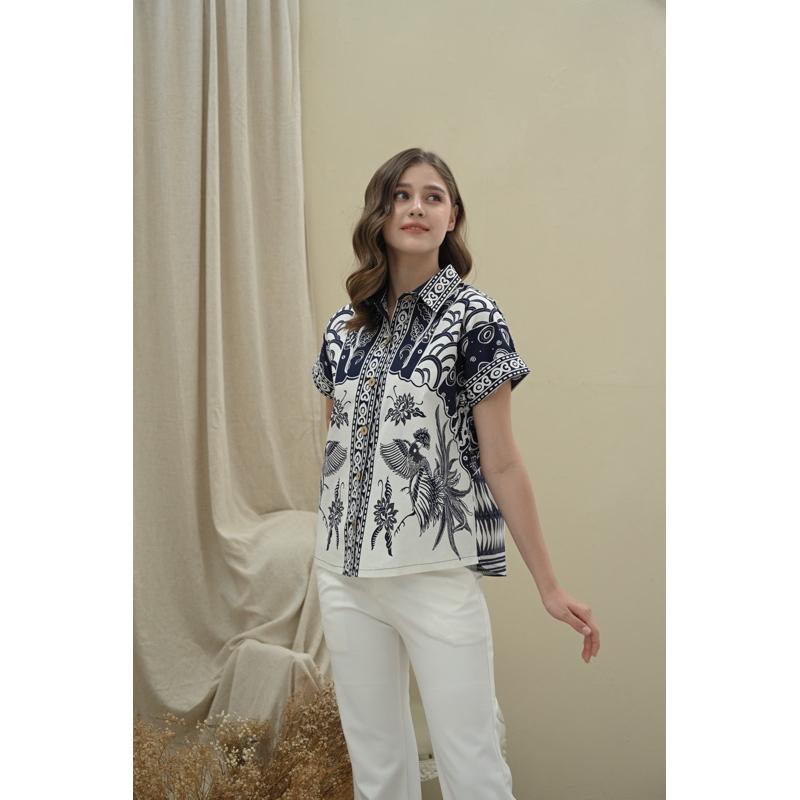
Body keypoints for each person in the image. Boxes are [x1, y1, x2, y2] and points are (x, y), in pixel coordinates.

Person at [311, 147, 600, 800]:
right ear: (380, 214)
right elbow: (334, 453)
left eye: (432, 196)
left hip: (434, 574)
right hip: (344, 579)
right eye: (401, 195)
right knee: (377, 772)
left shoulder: (475, 319)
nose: (416, 207)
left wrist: (549, 586)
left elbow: (502, 460)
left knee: (472, 767)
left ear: (452, 216)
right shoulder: (341, 330)